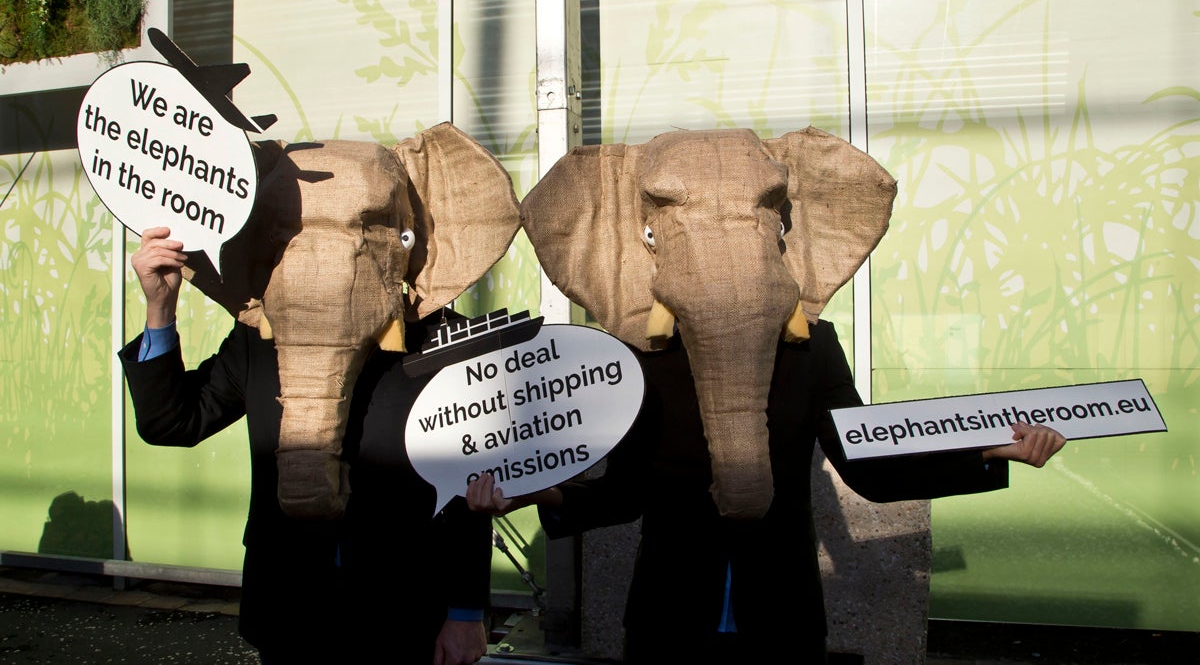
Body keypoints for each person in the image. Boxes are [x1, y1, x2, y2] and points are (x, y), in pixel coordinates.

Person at [467, 319, 1066, 663]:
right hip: (668, 617)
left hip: (782, 613)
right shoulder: (642, 355)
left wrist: (988, 452)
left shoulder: (813, 347)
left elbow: (870, 468)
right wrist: (534, 493)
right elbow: (625, 496)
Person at [122, 226, 492, 664]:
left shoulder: (447, 341)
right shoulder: (259, 338)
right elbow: (172, 422)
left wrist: (466, 612)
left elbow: (474, 484)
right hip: (288, 606)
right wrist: (160, 307)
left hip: (410, 612)